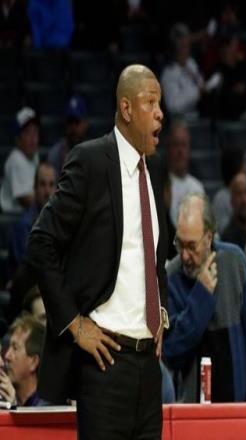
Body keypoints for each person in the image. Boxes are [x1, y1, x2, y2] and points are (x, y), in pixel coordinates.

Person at [26, 65, 169, 439]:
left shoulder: (155, 170)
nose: (160, 113)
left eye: (161, 104)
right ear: (126, 108)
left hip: (149, 368)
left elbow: (156, 255)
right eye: (150, 102)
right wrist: (75, 324)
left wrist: (161, 310)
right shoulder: (90, 161)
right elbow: (40, 242)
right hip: (105, 363)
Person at [163, 193, 246, 403]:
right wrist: (200, 298)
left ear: (209, 238)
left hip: (238, 409)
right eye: (179, 244)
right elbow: (171, 351)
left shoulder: (235, 263)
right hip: (192, 413)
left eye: (191, 246)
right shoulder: (171, 277)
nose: (184, 255)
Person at [0, 106, 40, 213]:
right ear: (18, 139)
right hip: (12, 219)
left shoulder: (34, 155)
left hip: (28, 216)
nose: (33, 138)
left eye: (35, 131)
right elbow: (25, 200)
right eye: (27, 132)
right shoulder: (16, 159)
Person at [166, 118, 204, 225]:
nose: (180, 151)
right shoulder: (161, 185)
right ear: (168, 148)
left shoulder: (197, 187)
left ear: (189, 149)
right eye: (176, 144)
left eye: (183, 145)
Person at [4, 314, 45, 406]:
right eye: (9, 347)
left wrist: (14, 406)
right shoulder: (6, 400)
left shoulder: (47, 409)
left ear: (33, 362)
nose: (7, 356)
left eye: (15, 348)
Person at [47, 95, 89, 177]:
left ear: (85, 124)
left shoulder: (94, 152)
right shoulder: (55, 154)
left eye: (77, 122)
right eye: (70, 122)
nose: (73, 128)